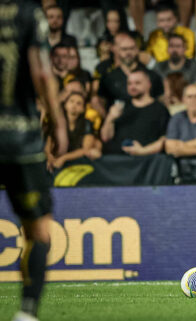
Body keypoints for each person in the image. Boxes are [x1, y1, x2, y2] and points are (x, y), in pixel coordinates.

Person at [0, 1, 67, 320]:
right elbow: (41, 71)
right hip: (20, 137)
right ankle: (27, 312)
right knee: (37, 230)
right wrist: (57, 122)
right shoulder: (28, 13)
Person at [100, 69, 170, 155]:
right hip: (118, 160)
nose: (132, 87)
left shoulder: (160, 109)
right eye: (129, 83)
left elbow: (165, 140)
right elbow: (105, 138)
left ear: (148, 85)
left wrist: (143, 151)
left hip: (147, 161)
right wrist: (110, 119)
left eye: (137, 83)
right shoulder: (120, 107)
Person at [96, 32, 164, 115]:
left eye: (131, 48)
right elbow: (100, 101)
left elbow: (161, 100)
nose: (128, 52)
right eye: (124, 49)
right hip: (121, 124)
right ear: (118, 51)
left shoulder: (151, 76)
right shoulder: (109, 78)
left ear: (137, 50)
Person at [46, 92, 102, 171]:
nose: (74, 105)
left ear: (83, 109)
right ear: (65, 104)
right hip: (59, 154)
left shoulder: (87, 123)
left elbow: (86, 148)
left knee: (96, 147)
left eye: (78, 103)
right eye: (71, 101)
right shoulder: (57, 122)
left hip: (77, 157)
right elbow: (49, 141)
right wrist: (49, 156)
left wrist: (64, 158)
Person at [153, 34, 196, 98]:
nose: (174, 49)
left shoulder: (195, 67)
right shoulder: (159, 67)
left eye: (178, 46)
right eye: (171, 46)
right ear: (167, 49)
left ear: (184, 49)